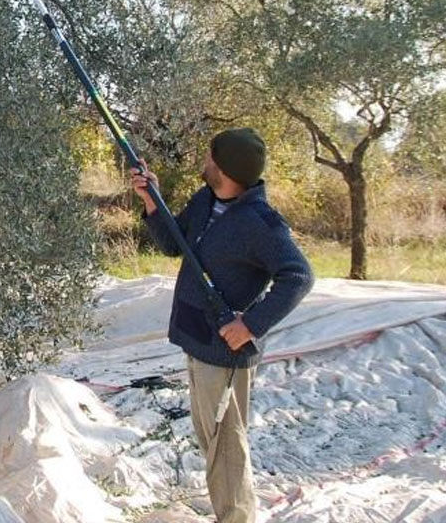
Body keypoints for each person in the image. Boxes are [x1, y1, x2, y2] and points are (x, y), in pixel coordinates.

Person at [130, 128, 313, 523]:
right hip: (198, 339)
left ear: (225, 168)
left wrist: (251, 324)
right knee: (213, 440)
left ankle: (236, 518)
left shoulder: (261, 223)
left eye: (210, 156)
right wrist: (151, 200)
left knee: (225, 445)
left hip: (225, 352)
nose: (205, 160)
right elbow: (173, 244)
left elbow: (298, 276)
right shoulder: (207, 200)